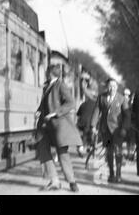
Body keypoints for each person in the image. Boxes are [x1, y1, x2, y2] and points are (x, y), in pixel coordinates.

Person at [35, 64, 82, 192]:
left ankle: (72, 182)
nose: (45, 74)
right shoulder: (47, 86)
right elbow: (43, 104)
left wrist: (56, 112)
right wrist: (39, 111)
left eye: (47, 72)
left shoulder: (60, 85)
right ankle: (54, 180)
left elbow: (71, 102)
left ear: (51, 73)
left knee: (62, 154)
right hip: (46, 126)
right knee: (43, 150)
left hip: (59, 126)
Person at [90, 78, 130, 183]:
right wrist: (93, 125)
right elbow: (96, 111)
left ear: (117, 87)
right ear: (107, 87)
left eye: (114, 86)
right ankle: (111, 174)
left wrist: (124, 128)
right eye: (110, 86)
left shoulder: (122, 99)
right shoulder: (101, 97)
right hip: (105, 130)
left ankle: (118, 174)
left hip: (118, 130)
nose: (112, 88)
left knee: (118, 152)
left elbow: (127, 116)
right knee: (109, 152)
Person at [76, 72, 99, 151]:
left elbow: (78, 114)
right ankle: (90, 145)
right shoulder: (96, 104)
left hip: (85, 123)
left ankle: (82, 145)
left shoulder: (84, 103)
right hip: (92, 123)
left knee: (82, 129)